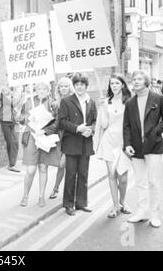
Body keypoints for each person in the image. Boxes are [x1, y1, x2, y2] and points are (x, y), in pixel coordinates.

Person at [124, 70, 163, 228]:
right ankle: (142, 212)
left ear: (146, 82)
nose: (136, 81)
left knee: (153, 181)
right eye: (134, 79)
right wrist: (127, 144)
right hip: (136, 148)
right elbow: (126, 126)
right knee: (140, 182)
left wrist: (155, 132)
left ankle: (155, 214)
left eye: (139, 79)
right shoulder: (130, 103)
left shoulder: (159, 98)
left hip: (153, 146)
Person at [58, 73, 97, 216]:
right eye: (77, 85)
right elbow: (61, 121)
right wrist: (77, 128)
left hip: (86, 143)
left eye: (82, 84)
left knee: (83, 174)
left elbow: (95, 121)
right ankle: (68, 204)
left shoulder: (91, 102)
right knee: (70, 175)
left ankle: (81, 203)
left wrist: (91, 130)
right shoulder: (66, 101)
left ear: (86, 86)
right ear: (74, 86)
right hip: (71, 143)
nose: (79, 87)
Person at [95, 74, 132, 218]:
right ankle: (115, 206)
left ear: (123, 84)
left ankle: (123, 201)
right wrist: (103, 108)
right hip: (109, 140)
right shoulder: (107, 102)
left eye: (117, 83)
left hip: (124, 142)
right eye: (112, 84)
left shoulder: (129, 101)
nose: (114, 86)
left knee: (122, 176)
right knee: (111, 175)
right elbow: (104, 124)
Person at [18, 83, 61, 208]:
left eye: (44, 88)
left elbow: (57, 122)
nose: (41, 91)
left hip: (45, 138)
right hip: (31, 136)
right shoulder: (28, 102)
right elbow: (20, 119)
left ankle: (41, 196)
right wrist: (28, 117)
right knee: (31, 170)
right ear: (35, 90)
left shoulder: (53, 104)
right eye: (39, 89)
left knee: (43, 168)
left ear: (48, 90)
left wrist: (46, 128)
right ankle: (25, 195)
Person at [48, 77, 74, 200]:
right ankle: (57, 188)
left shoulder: (75, 101)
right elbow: (53, 120)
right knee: (60, 165)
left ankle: (62, 190)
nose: (63, 88)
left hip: (71, 136)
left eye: (66, 86)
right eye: (61, 86)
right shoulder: (55, 103)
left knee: (65, 164)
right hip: (59, 136)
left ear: (70, 87)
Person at [0, 86, 24, 173]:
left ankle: (13, 164)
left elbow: (17, 105)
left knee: (16, 143)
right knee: (11, 142)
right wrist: (19, 93)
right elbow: (12, 103)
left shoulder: (16, 92)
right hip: (5, 121)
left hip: (13, 121)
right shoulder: (5, 89)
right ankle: (11, 165)